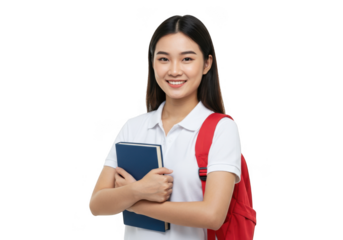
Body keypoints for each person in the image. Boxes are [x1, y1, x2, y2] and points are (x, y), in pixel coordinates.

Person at [89, 13, 242, 240]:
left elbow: (212, 215)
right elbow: (97, 205)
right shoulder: (133, 126)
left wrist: (135, 203)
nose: (174, 70)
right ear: (152, 62)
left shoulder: (222, 129)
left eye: (187, 59)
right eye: (163, 59)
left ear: (207, 63)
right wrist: (137, 190)